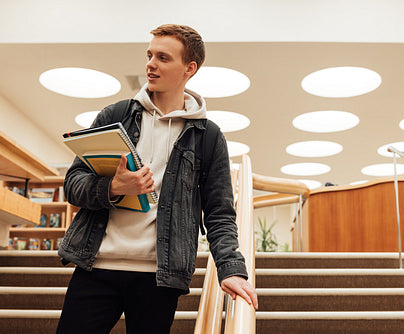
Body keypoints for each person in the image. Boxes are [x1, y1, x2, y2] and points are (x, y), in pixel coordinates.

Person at [56, 24, 258, 334]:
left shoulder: (208, 136)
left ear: (189, 68)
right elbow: (73, 184)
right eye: (150, 55)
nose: (151, 64)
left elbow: (219, 212)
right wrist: (113, 188)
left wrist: (231, 269)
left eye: (163, 57)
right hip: (95, 266)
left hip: (159, 276)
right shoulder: (116, 115)